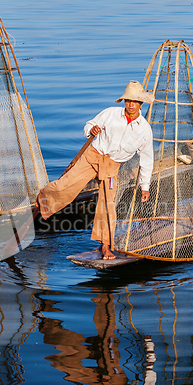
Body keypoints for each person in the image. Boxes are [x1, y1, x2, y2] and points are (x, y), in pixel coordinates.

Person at [37, 80, 154, 260]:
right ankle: (42, 200)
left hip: (111, 166)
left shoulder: (144, 129)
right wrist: (91, 129)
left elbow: (146, 158)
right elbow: (88, 125)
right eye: (128, 101)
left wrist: (144, 186)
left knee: (107, 206)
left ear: (141, 104)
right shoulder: (110, 114)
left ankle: (105, 246)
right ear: (124, 101)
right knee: (65, 186)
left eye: (135, 102)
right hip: (92, 156)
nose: (131, 105)